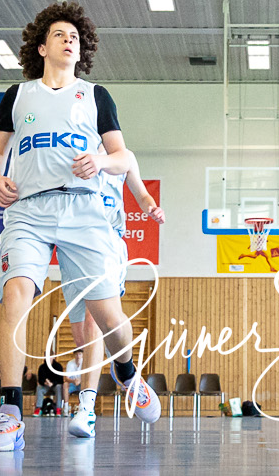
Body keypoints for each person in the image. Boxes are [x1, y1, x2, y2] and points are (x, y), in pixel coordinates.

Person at [0, 1, 161, 452]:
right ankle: (8, 413)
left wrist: (100, 160)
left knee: (107, 317)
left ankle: (126, 371)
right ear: (42, 46)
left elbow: (123, 157)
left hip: (84, 213)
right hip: (29, 211)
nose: (69, 40)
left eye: (76, 37)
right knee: (16, 297)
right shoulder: (18, 96)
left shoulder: (96, 95)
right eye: (61, 35)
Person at [60, 153, 163, 439]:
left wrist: (151, 208)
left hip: (108, 243)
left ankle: (86, 408)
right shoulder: (71, 148)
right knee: (81, 337)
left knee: (95, 321)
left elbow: (141, 193)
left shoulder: (122, 157)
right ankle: (125, 368)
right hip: (72, 245)